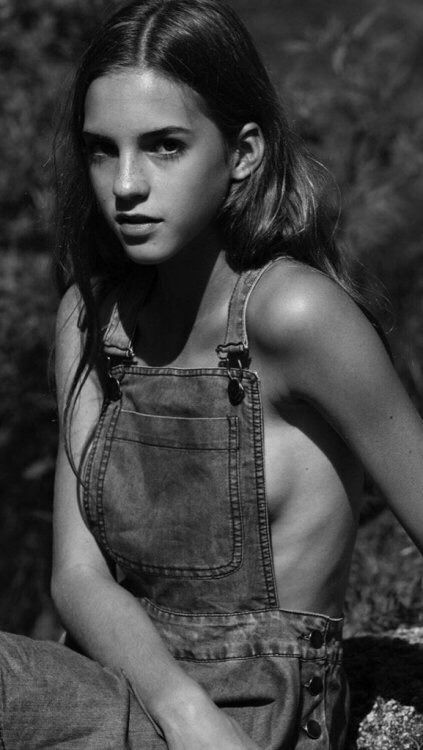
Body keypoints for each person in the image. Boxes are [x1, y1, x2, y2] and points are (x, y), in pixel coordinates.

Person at [1, 0, 422, 748]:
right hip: (130, 692)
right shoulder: (90, 317)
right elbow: (77, 577)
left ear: (243, 153)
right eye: (103, 150)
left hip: (261, 709)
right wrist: (182, 710)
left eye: (163, 146)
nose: (125, 185)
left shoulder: (294, 313)